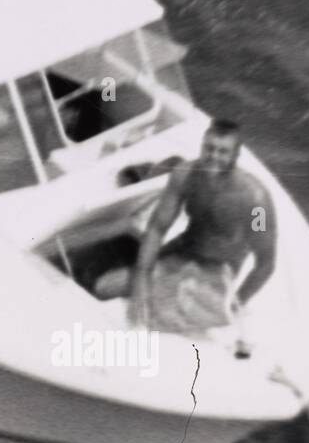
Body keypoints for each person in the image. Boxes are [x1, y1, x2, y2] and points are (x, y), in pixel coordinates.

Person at [94, 119, 277, 343]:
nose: (214, 157)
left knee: (151, 321)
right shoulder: (185, 175)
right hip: (182, 252)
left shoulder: (255, 201)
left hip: (217, 271)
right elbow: (157, 229)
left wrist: (235, 305)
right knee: (104, 287)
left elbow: (265, 263)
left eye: (223, 151)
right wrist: (141, 283)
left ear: (236, 155)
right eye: (209, 148)